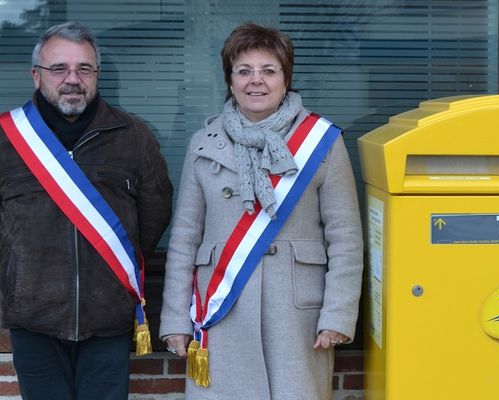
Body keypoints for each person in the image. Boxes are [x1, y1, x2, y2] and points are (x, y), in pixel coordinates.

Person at [159, 22, 363, 399]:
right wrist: (174, 318)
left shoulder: (320, 141)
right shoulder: (203, 143)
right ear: (230, 79)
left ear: (286, 78)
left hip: (297, 314)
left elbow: (345, 238)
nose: (256, 81)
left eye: (269, 70)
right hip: (223, 309)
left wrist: (337, 315)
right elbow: (185, 239)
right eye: (244, 71)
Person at [0, 22, 173, 400]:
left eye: (84, 69)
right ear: (36, 76)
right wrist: (17, 275)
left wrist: (109, 269)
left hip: (108, 318)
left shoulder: (134, 137)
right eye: (58, 68)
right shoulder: (6, 140)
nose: (72, 79)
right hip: (34, 318)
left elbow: (154, 214)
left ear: (97, 76)